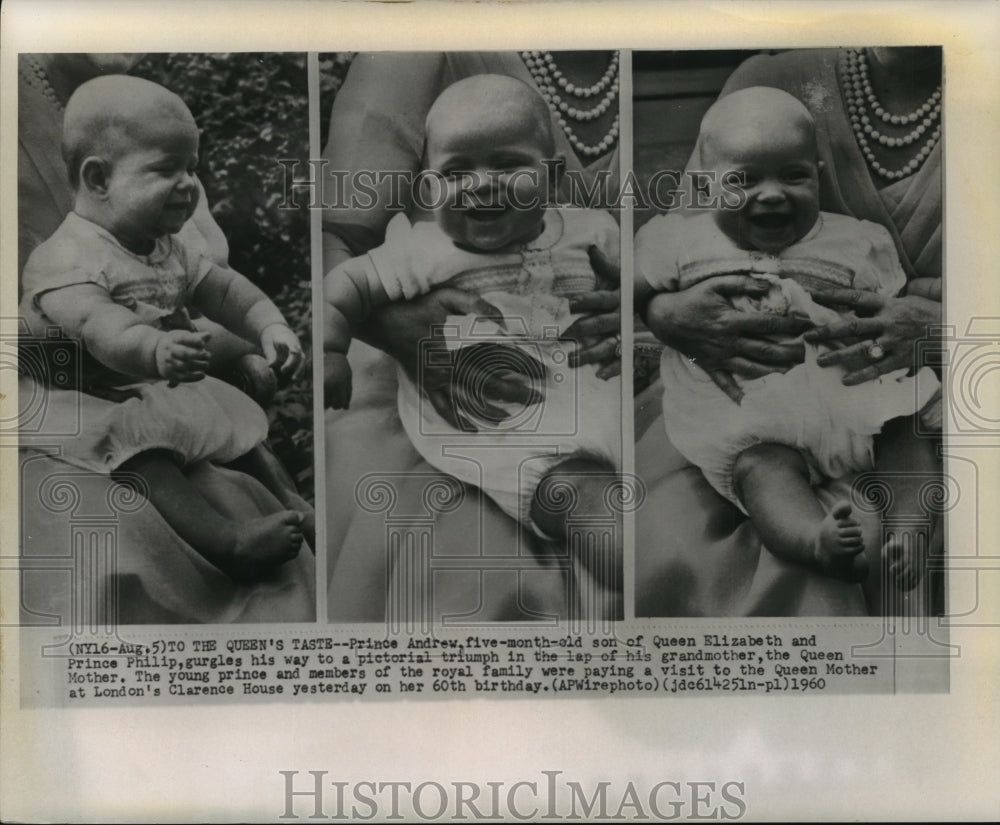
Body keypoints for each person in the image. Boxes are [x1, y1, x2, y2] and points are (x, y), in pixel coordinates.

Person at [635, 47, 943, 616]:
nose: (771, 194)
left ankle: (912, 526)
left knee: (907, 430)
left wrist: (942, 324)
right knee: (760, 469)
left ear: (817, 176)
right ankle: (812, 537)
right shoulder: (684, 237)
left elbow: (891, 299)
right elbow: (636, 287)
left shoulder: (853, 238)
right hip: (751, 407)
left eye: (793, 177)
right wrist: (665, 312)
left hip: (864, 391)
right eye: (745, 180)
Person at [322, 52, 623, 621]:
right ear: (430, 187)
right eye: (456, 174)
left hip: (597, 386)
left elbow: (640, 282)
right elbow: (343, 280)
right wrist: (331, 349)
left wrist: (641, 314)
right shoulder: (425, 250)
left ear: (553, 179)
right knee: (586, 497)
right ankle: (626, 575)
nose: (482, 187)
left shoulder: (588, 231)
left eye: (507, 166)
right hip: (493, 410)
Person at [17, 54, 315, 623]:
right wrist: (154, 349)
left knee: (231, 421)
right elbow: (102, 330)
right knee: (141, 452)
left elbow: (226, 292)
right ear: (98, 179)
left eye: (192, 168)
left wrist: (270, 325)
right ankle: (224, 540)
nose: (188, 187)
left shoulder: (163, 241)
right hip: (79, 393)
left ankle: (291, 502)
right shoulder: (67, 259)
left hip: (149, 378)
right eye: (166, 170)